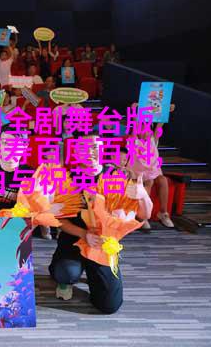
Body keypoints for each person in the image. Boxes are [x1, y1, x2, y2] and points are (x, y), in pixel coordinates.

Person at [49, 131, 153, 314]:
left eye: (95, 147)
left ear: (103, 149)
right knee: (66, 272)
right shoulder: (67, 179)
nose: (91, 152)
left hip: (103, 243)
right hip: (74, 239)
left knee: (109, 305)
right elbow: (58, 221)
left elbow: (145, 215)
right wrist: (84, 234)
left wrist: (143, 195)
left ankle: (94, 273)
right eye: (85, 148)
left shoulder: (118, 177)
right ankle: (64, 278)